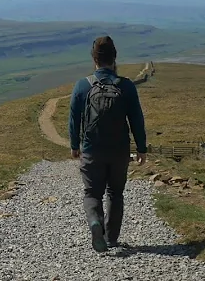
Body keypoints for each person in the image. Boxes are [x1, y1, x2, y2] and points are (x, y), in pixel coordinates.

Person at [68, 35, 147, 253]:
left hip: (92, 150)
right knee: (115, 193)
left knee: (92, 193)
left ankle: (95, 222)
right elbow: (136, 119)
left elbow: (74, 118)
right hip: (119, 151)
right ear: (114, 59)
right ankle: (111, 239)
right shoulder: (127, 86)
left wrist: (74, 145)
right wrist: (141, 148)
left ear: (94, 59)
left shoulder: (82, 86)